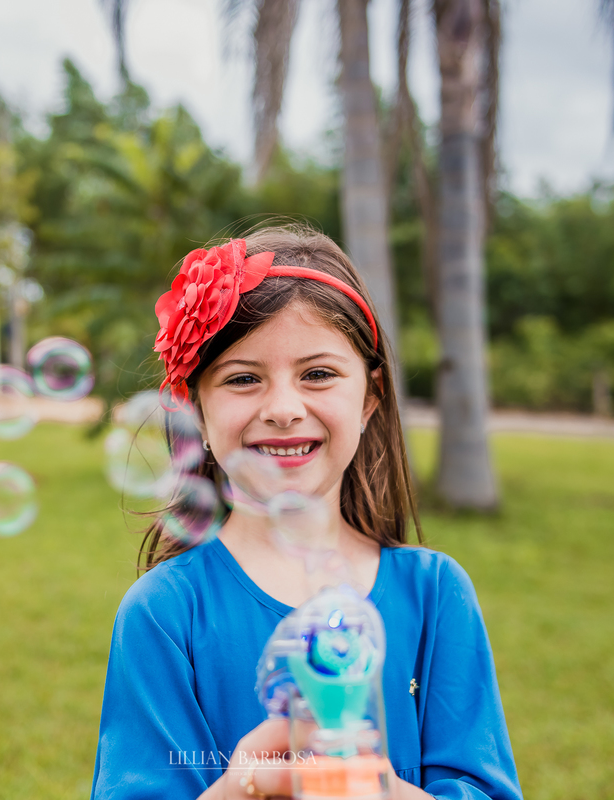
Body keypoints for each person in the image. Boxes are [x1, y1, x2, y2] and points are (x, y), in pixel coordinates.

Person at [91, 225, 521, 800]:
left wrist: (381, 793)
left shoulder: (436, 594)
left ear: (370, 398)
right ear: (196, 412)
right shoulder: (165, 612)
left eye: (317, 374)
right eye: (244, 379)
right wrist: (240, 786)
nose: (284, 409)